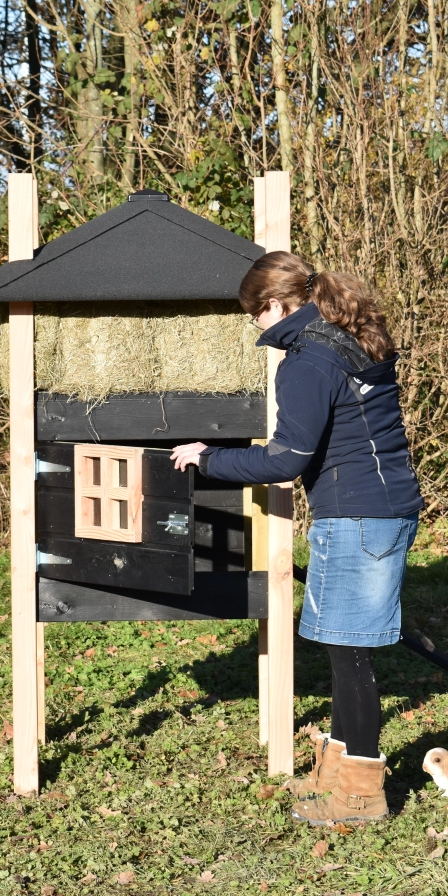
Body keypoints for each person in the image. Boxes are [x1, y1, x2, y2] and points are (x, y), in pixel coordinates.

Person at [170, 251, 422, 825]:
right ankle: (336, 776)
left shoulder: (308, 360)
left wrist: (209, 458)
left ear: (276, 305)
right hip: (378, 510)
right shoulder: (345, 336)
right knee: (343, 649)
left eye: (255, 315)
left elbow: (287, 460)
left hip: (359, 516)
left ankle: (360, 796)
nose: (256, 327)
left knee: (349, 656)